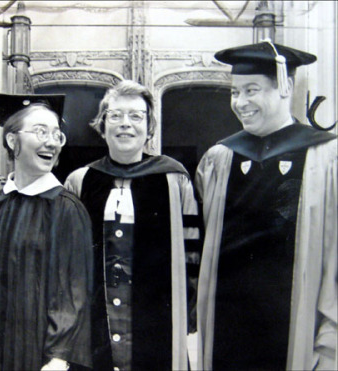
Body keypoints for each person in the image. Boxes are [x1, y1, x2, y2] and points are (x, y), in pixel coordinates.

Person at [195, 40, 337, 370]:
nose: (240, 102)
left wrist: (330, 340)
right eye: (235, 92)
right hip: (227, 329)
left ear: (284, 87)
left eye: (251, 90)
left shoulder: (326, 157)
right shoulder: (221, 158)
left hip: (296, 333)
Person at [64, 80, 201, 370]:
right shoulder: (79, 181)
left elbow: (193, 252)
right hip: (95, 321)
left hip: (158, 319)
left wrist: (190, 307)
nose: (125, 124)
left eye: (136, 116)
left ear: (150, 127)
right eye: (115, 116)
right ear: (102, 125)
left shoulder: (175, 180)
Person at [0, 93, 93, 371]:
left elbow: (73, 291)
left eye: (57, 135)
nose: (52, 142)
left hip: (39, 357)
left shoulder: (66, 208)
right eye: (41, 131)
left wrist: (59, 357)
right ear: (12, 140)